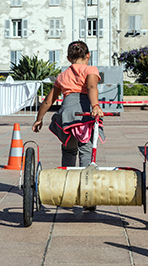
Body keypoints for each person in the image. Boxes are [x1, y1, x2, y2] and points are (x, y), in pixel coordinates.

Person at [32, 41, 104, 208]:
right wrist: (95, 106)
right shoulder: (90, 69)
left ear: (68, 58)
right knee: (85, 151)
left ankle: (67, 192)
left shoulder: (62, 75)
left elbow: (49, 100)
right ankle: (87, 195)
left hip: (67, 116)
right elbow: (92, 87)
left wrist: (39, 119)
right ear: (88, 55)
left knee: (68, 150)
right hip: (84, 114)